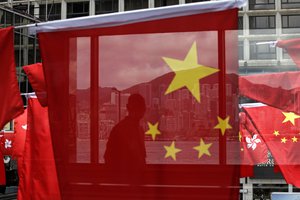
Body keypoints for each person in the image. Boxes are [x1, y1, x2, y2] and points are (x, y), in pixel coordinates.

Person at [104, 93, 146, 184]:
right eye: (138, 108)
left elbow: (108, 158)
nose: (140, 111)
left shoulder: (120, 128)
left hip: (128, 182)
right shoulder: (138, 130)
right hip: (128, 182)